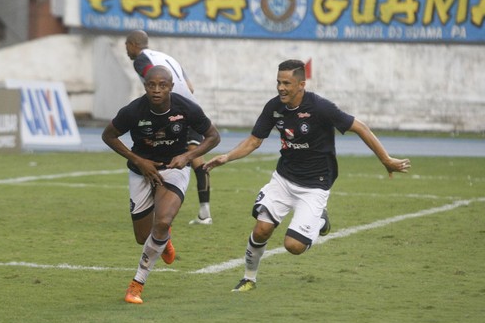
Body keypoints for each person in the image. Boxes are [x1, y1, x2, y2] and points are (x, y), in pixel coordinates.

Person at [204, 59, 411, 292]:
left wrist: (386, 160)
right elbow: (254, 140)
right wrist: (226, 157)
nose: (281, 88)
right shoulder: (274, 107)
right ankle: (249, 278)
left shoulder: (320, 108)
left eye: (287, 83)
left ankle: (320, 219)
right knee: (261, 229)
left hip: (315, 185)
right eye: (278, 82)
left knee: (293, 246)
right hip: (284, 179)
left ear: (301, 84)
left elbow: (359, 127)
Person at [102, 65, 220, 304]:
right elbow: (109, 135)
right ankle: (164, 240)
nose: (156, 90)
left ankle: (136, 285)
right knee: (142, 237)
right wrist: (138, 160)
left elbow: (213, 136)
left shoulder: (185, 108)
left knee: (163, 220)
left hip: (173, 170)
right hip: (140, 171)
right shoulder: (133, 110)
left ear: (171, 87)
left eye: (162, 85)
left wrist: (187, 157)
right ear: (145, 86)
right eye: (151, 85)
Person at [125, 30, 214, 225]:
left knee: (157, 156)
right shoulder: (166, 57)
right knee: (197, 160)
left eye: (126, 47)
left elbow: (152, 78)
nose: (127, 52)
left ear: (132, 44)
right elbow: (190, 87)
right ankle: (204, 212)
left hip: (174, 113)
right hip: (191, 109)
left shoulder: (140, 60)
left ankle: (157, 208)